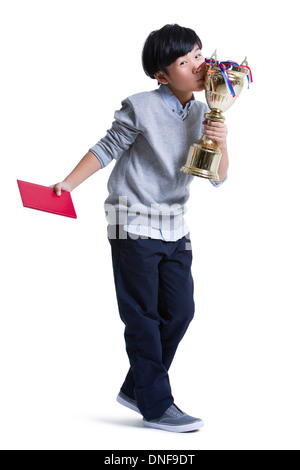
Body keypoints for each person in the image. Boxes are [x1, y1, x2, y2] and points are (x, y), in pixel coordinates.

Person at [53, 24, 228, 433]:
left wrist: (221, 138)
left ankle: (137, 389)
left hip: (173, 225)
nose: (198, 65)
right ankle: (156, 406)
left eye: (199, 54)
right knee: (142, 317)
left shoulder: (206, 111)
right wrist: (67, 184)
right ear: (162, 76)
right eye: (184, 62)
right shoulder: (142, 105)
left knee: (181, 311)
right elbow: (107, 147)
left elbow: (218, 177)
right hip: (130, 221)